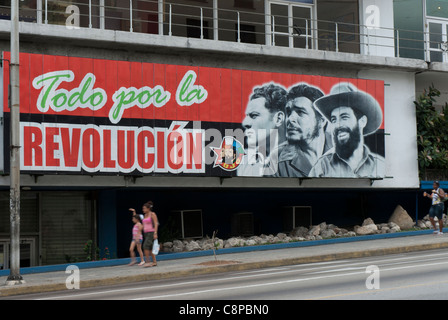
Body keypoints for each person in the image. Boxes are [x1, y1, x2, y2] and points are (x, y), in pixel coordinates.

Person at [309, 82, 385, 178]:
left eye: (344, 117)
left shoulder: (379, 166)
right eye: (333, 120)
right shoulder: (322, 167)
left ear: (362, 121)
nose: (338, 125)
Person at [274, 83, 332, 177]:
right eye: (288, 112)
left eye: (300, 112)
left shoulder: (345, 151)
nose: (290, 119)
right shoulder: (276, 161)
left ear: (322, 120)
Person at [237, 83, 287, 176]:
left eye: (254, 115)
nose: (245, 122)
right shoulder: (246, 162)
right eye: (247, 116)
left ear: (278, 119)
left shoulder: (298, 161)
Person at [140, 201, 159, 267]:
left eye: (144, 208)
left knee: (145, 246)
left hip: (151, 232)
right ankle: (154, 262)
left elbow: (156, 224)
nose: (143, 210)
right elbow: (143, 225)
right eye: (143, 208)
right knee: (150, 248)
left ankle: (148, 262)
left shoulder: (152, 214)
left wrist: (155, 233)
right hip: (146, 233)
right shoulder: (145, 215)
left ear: (148, 208)